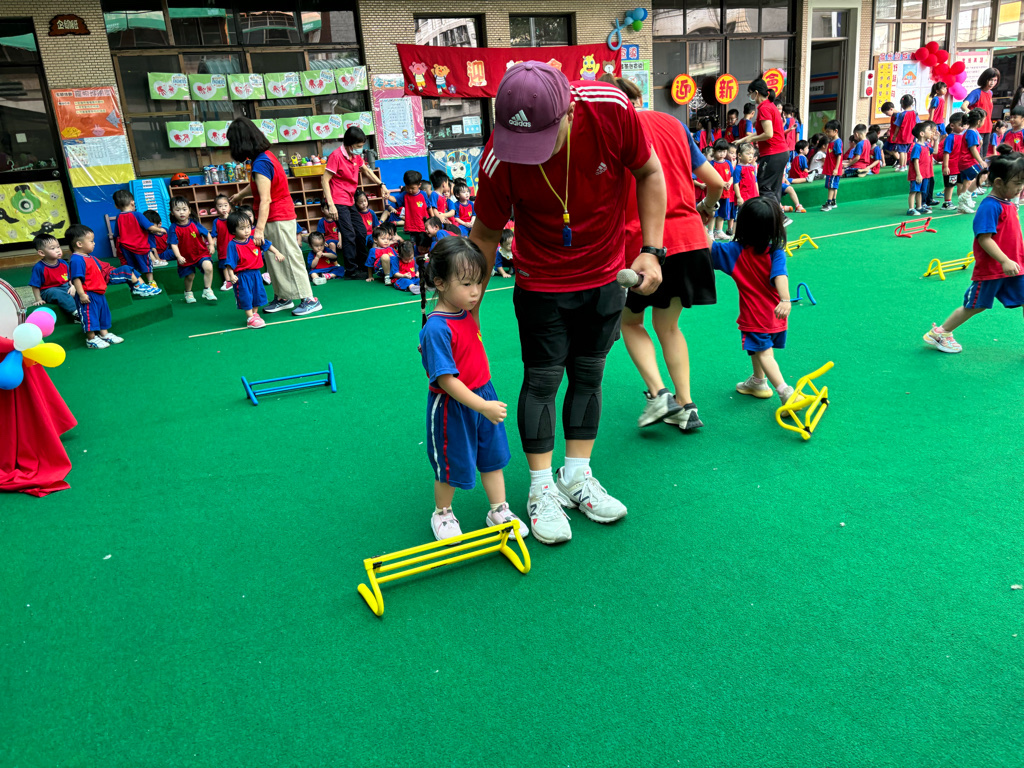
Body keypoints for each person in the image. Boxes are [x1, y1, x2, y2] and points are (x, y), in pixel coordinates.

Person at [469, 62, 667, 546]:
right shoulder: (498, 156)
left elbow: (649, 171)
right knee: (542, 380)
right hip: (540, 282)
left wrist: (652, 249)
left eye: (538, 139)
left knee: (588, 374)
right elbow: (486, 235)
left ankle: (576, 475)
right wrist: (466, 317)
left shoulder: (610, 110)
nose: (525, 154)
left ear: (569, 113)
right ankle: (540, 488)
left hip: (605, 275)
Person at [603, 74, 724, 433]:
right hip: (689, 239)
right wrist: (705, 208)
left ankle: (658, 395)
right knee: (669, 325)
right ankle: (686, 406)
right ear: (638, 97)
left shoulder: (611, 132)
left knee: (630, 322)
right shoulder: (673, 124)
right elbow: (716, 182)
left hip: (641, 245)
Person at [419, 236, 526, 542]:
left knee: (493, 456)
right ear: (440, 283)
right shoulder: (437, 327)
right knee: (451, 462)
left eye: (478, 282)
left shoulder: (465, 313)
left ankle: (499, 510)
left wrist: (484, 402)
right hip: (452, 406)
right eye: (466, 284)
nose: (476, 291)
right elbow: (446, 380)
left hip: (483, 394)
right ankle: (442, 513)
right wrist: (482, 406)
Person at [923, 147, 1024, 354]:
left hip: (1015, 267)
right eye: (1017, 183)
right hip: (993, 270)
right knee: (975, 305)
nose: (1021, 188)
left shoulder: (1008, 204)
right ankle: (940, 333)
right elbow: (984, 239)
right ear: (998, 182)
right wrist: (1004, 260)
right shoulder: (990, 206)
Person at [227, 116, 321, 317]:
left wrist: (258, 230)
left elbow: (265, 199)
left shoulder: (261, 162)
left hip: (278, 216)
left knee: (289, 256)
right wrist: (240, 195)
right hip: (273, 216)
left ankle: (309, 299)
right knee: (274, 259)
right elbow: (258, 186)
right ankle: (283, 296)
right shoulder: (264, 157)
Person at [708, 198, 794, 404]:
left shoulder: (733, 251)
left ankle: (785, 392)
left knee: (764, 354)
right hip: (776, 315)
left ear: (743, 224)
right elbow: (780, 275)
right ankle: (758, 381)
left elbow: (706, 245)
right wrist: (785, 300)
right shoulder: (776, 251)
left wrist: (701, 215)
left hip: (755, 317)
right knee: (757, 348)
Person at [322, 127, 385, 277]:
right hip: (338, 200)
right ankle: (351, 270)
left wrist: (381, 185)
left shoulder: (355, 156)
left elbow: (367, 171)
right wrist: (331, 205)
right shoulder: (336, 156)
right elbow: (324, 180)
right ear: (349, 145)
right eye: (358, 146)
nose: (360, 149)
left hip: (350, 200)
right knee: (348, 234)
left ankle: (364, 265)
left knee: (361, 231)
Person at [734, 78, 789, 210]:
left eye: (750, 93)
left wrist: (750, 140)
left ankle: (778, 215)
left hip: (772, 153)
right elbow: (760, 132)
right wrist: (742, 140)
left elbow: (768, 134)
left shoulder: (764, 108)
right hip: (781, 152)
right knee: (774, 188)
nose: (750, 96)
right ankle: (777, 217)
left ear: (756, 93)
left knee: (764, 186)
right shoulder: (770, 106)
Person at [66, 225, 125, 349]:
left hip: (99, 292)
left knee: (103, 314)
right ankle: (91, 339)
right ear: (79, 244)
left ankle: (104, 334)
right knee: (89, 316)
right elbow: (76, 278)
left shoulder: (90, 257)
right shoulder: (76, 260)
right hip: (88, 293)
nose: (94, 243)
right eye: (91, 241)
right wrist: (81, 294)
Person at [223, 210, 284, 330]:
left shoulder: (254, 239)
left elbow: (267, 244)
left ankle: (255, 314)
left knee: (257, 295)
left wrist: (277, 252)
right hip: (242, 276)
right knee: (246, 296)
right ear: (233, 231)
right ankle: (250, 318)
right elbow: (230, 262)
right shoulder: (233, 245)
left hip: (256, 273)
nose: (246, 231)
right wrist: (231, 275)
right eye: (242, 228)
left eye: (248, 227)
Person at [166, 196, 217, 304]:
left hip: (200, 253)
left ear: (189, 210)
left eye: (184, 209)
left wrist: (211, 245)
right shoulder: (173, 228)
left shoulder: (194, 223)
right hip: (186, 257)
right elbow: (173, 244)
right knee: (190, 276)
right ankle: (188, 292)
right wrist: (179, 256)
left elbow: (207, 234)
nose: (181, 212)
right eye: (177, 210)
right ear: (172, 212)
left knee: (208, 267)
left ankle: (207, 289)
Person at [112, 189, 164, 288]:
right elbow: (149, 227)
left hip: (126, 247)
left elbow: (116, 234)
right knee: (146, 264)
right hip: (140, 246)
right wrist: (160, 229)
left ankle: (137, 284)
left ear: (116, 206)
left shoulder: (119, 216)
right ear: (132, 202)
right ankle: (151, 282)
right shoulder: (137, 214)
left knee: (131, 266)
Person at [389, 171, 431, 253]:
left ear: (419, 185)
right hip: (412, 226)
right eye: (408, 188)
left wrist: (432, 218)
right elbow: (395, 199)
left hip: (423, 225)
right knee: (413, 244)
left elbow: (429, 207)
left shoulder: (423, 194)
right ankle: (413, 257)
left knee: (423, 243)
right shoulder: (405, 194)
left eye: (412, 188)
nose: (410, 190)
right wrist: (388, 196)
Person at [956, 108, 988, 213]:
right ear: (979, 121)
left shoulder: (972, 132)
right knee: (984, 175)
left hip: (963, 162)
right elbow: (973, 148)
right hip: (968, 162)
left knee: (967, 182)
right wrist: (981, 161)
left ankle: (961, 205)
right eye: (984, 120)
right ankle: (966, 196)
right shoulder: (971, 133)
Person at [964, 68, 1000, 151]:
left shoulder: (990, 93)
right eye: (990, 80)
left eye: (995, 80)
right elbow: (964, 106)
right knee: (977, 153)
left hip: (988, 128)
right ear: (985, 79)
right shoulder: (976, 92)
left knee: (984, 154)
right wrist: (971, 114)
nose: (992, 83)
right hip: (977, 128)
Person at [908, 121, 936, 216]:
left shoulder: (926, 146)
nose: (931, 132)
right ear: (922, 134)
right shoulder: (917, 147)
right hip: (918, 174)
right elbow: (915, 161)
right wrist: (918, 174)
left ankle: (919, 207)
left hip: (925, 174)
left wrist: (936, 140)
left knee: (920, 191)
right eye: (929, 130)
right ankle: (911, 209)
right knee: (914, 191)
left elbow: (935, 151)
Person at [208, 196, 234, 291]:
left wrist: (229, 219)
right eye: (220, 206)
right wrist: (211, 245)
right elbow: (214, 235)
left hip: (234, 246)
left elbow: (236, 228)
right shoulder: (216, 221)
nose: (223, 208)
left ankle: (237, 278)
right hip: (223, 248)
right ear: (216, 208)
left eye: (225, 205)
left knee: (237, 261)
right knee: (224, 264)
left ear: (230, 207)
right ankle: (228, 281)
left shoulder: (233, 218)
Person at [941, 112, 966, 210]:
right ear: (952, 125)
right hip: (952, 167)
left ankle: (961, 202)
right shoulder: (950, 138)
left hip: (960, 166)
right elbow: (946, 153)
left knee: (961, 184)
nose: (963, 127)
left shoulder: (963, 136)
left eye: (964, 125)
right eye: (960, 125)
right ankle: (947, 203)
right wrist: (946, 166)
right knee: (950, 185)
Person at [711, 139, 734, 241]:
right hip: (714, 194)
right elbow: (710, 177)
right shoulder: (711, 164)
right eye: (719, 151)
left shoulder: (728, 163)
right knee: (713, 213)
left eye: (724, 151)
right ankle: (710, 232)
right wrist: (721, 183)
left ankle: (719, 231)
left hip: (726, 193)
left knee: (722, 213)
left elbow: (732, 176)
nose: (722, 154)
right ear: (714, 151)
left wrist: (729, 183)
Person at [820, 119, 844, 211]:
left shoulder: (837, 142)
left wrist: (836, 168)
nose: (827, 133)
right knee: (833, 185)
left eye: (828, 131)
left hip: (833, 169)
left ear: (835, 131)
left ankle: (829, 203)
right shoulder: (831, 141)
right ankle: (833, 201)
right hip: (830, 168)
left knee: (831, 186)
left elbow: (839, 155)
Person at [891, 95, 917, 171]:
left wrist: (894, 136)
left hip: (902, 136)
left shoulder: (901, 114)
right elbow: (917, 123)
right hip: (911, 136)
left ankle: (901, 166)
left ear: (902, 104)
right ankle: (904, 165)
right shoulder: (915, 113)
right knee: (905, 151)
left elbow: (898, 126)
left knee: (902, 151)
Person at [734, 143, 759, 208]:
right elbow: (736, 184)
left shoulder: (752, 167)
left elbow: (755, 182)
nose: (750, 156)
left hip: (754, 196)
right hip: (744, 197)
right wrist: (739, 197)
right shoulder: (738, 168)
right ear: (739, 155)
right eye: (748, 154)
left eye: (752, 154)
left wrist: (757, 194)